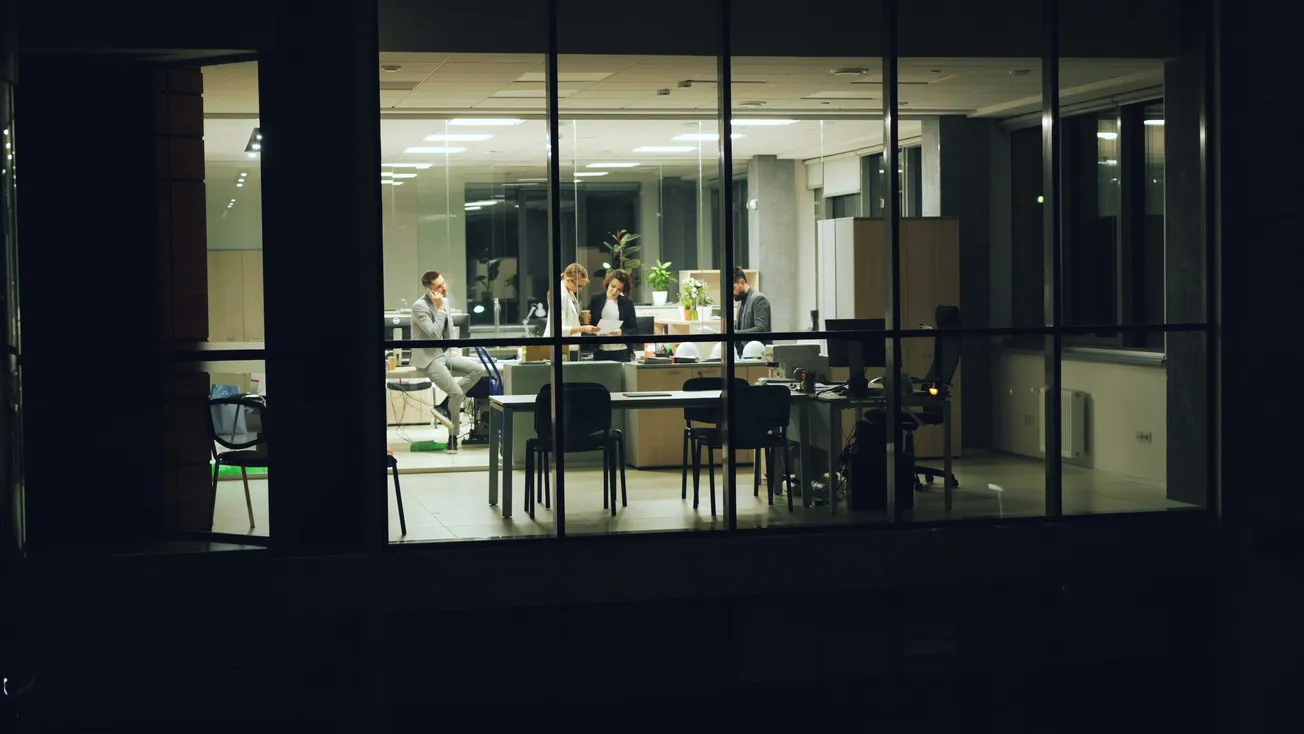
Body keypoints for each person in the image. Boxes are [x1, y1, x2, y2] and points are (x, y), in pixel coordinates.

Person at [411, 270, 486, 454]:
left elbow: (449, 330)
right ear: (429, 289)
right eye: (438, 286)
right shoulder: (419, 306)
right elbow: (434, 334)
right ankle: (453, 437)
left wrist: (453, 349)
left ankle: (444, 405)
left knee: (477, 369)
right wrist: (441, 309)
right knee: (457, 392)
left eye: (443, 283)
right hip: (429, 357)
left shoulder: (443, 302)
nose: (444, 287)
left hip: (444, 354)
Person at [586, 268, 639, 362]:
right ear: (607, 283)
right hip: (600, 351)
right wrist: (595, 332)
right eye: (613, 286)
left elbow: (634, 330)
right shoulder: (595, 299)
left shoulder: (627, 303)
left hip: (622, 352)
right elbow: (588, 325)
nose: (614, 291)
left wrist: (621, 332)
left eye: (619, 289)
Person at [542, 263, 599, 338]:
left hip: (568, 344)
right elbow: (558, 329)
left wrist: (579, 318)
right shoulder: (560, 295)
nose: (580, 289)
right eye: (579, 286)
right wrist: (583, 329)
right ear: (568, 280)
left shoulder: (569, 292)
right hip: (558, 344)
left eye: (582, 286)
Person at [732, 267, 771, 353]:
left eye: (733, 288)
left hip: (758, 355)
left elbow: (760, 329)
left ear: (742, 283)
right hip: (745, 354)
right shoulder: (740, 303)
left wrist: (734, 333)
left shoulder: (759, 299)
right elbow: (742, 327)